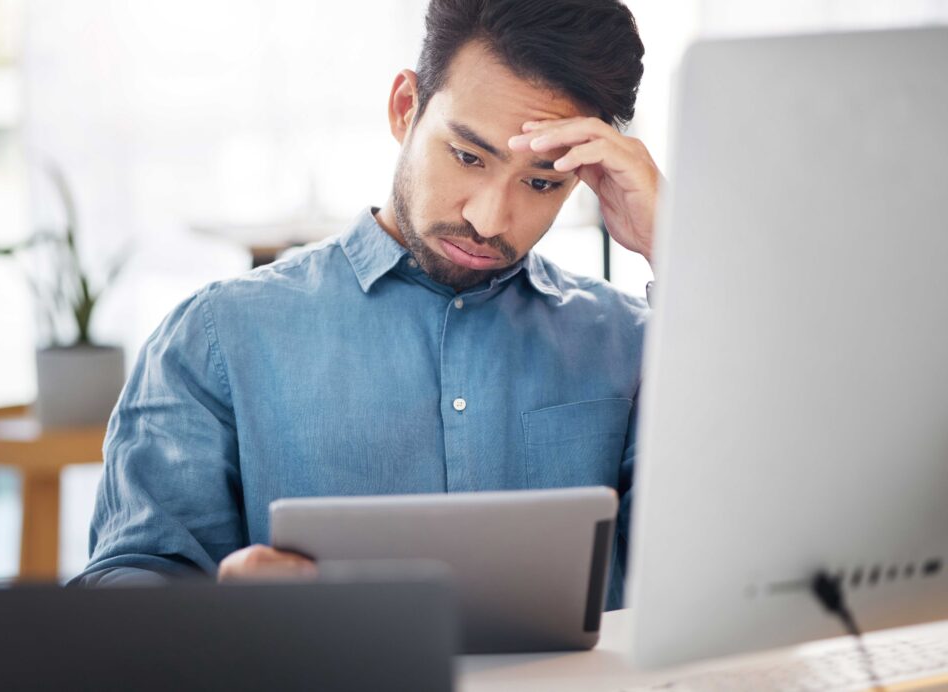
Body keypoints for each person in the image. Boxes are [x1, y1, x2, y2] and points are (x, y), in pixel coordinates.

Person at [73, 0, 660, 611]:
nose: (489, 219)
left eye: (541, 182)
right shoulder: (219, 336)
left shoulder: (636, 342)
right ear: (406, 109)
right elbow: (123, 588)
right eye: (467, 156)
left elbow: (722, 559)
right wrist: (215, 610)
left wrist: (673, 248)